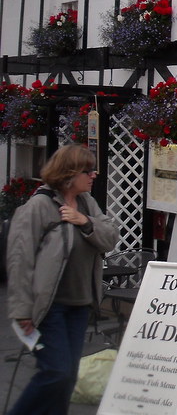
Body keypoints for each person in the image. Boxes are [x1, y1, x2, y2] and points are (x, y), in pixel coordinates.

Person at [5, 144, 118, 415]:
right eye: (88, 171)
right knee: (55, 373)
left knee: (66, 378)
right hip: (49, 308)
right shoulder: (38, 207)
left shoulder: (86, 204)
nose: (94, 175)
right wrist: (22, 310)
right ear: (69, 174)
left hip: (79, 306)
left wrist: (84, 222)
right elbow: (20, 262)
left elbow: (110, 237)